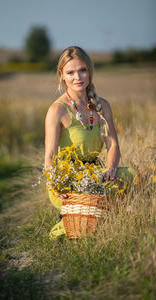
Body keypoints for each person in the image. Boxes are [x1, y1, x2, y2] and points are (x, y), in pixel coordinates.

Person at [45, 46, 136, 239]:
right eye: (70, 72)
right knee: (87, 198)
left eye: (82, 70)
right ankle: (63, 227)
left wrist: (111, 170)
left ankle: (87, 215)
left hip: (95, 174)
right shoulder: (57, 110)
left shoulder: (102, 106)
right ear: (62, 75)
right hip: (66, 179)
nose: (77, 77)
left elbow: (113, 145)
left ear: (90, 72)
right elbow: (50, 156)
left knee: (132, 175)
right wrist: (55, 186)